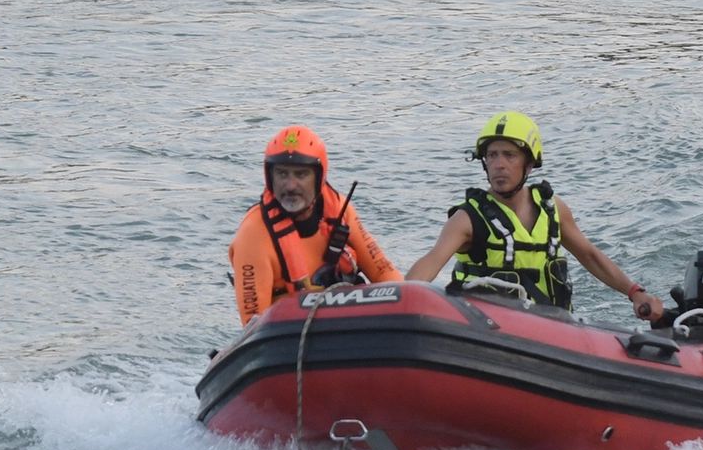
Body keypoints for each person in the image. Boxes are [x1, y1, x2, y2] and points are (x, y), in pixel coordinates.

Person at [406, 111, 665, 320]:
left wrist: (635, 292)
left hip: (552, 330)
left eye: (510, 155)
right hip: (486, 330)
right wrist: (402, 297)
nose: (499, 165)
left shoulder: (553, 210)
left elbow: (590, 255)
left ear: (529, 164)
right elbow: (431, 262)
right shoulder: (467, 219)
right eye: (492, 155)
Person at [229, 125, 403, 324]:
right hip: (290, 338)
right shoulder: (253, 235)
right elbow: (253, 323)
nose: (291, 186)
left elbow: (383, 271)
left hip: (349, 327)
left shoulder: (341, 212)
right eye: (282, 174)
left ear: (319, 178)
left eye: (301, 174)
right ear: (270, 177)